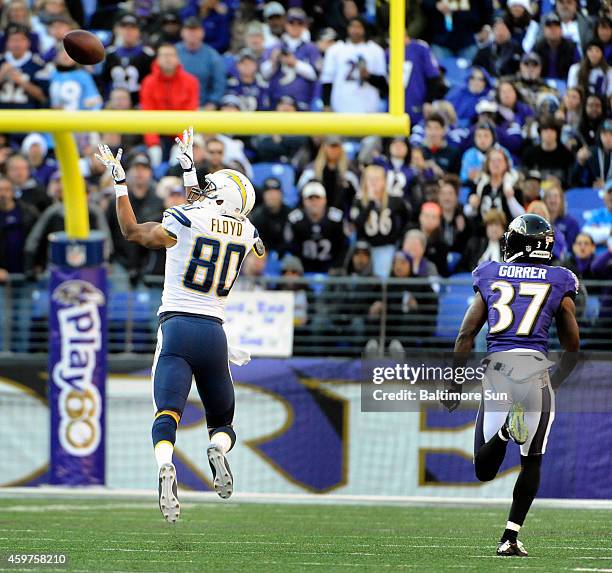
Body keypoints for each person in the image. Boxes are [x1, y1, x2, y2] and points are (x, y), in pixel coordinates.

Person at [95, 126, 265, 523]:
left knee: (167, 412)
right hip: (214, 333)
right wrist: (191, 175)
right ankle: (218, 452)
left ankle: (164, 465)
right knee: (223, 422)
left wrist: (120, 184)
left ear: (219, 195)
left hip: (176, 327)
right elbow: (220, 222)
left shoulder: (184, 218)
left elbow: (132, 232)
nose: (203, 189)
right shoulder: (248, 231)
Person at [444, 213, 580, 557]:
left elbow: (465, 335)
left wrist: (455, 384)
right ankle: (510, 537)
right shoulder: (559, 279)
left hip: (499, 368)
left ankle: (505, 431)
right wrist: (557, 379)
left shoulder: (491, 272)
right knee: (531, 460)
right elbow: (572, 342)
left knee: (484, 469)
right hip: (535, 369)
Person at [139, 43, 199, 164]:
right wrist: (153, 144)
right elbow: (147, 114)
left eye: (171, 55)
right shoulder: (148, 83)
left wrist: (182, 144)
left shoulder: (191, 82)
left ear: (177, 58)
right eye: (164, 55)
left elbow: (190, 114)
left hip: (181, 133)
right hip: (158, 133)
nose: (168, 58)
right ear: (158, 59)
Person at [350, 164, 411, 278]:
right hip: (365, 248)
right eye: (370, 179)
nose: (374, 183)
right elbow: (357, 224)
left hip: (386, 246)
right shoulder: (358, 201)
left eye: (377, 179)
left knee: (381, 277)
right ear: (365, 182)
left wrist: (397, 237)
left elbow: (406, 218)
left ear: (384, 181)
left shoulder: (394, 200)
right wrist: (370, 204)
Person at [320, 17, 387, 113]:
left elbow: (384, 84)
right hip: (341, 107)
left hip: (368, 108)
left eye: (358, 27)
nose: (355, 30)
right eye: (352, 26)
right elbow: (327, 80)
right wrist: (326, 105)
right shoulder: (335, 50)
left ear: (364, 29)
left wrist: (369, 76)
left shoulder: (376, 51)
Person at [260, 8, 320, 111]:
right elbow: (264, 75)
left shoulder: (311, 48)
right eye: (291, 22)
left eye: (299, 23)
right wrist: (273, 61)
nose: (295, 26)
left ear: (304, 26)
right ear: (285, 24)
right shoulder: (274, 46)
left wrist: (295, 63)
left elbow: (316, 74)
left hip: (302, 103)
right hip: (277, 102)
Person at [284, 181, 347, 273]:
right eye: (310, 199)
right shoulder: (295, 220)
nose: (314, 202)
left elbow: (344, 246)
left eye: (318, 198)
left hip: (331, 266)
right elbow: (289, 246)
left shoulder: (336, 219)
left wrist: (337, 265)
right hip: (303, 268)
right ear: (304, 201)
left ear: (325, 200)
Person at [99, 14, 155, 107]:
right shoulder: (109, 54)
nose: (128, 31)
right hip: (114, 105)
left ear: (139, 31)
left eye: (133, 28)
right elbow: (104, 82)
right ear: (118, 30)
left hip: (139, 106)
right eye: (124, 27)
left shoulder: (148, 55)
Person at [297, 136, 359, 213]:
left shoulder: (349, 171)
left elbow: (356, 197)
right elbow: (301, 194)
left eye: (336, 147)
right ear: (324, 148)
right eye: (331, 147)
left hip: (341, 215)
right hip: (316, 215)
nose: (333, 150)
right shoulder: (311, 171)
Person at [176, 17, 226, 110]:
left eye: (196, 30)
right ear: (182, 32)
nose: (192, 33)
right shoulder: (173, 52)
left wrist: (213, 102)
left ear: (202, 33)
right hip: (175, 107)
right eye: (189, 30)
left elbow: (219, 83)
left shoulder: (212, 55)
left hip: (202, 107)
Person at [468, 147, 525, 224]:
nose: (496, 164)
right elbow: (468, 212)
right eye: (493, 161)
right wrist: (472, 205)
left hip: (506, 231)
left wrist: (510, 198)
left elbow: (521, 216)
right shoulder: (479, 185)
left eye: (499, 160)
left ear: (506, 164)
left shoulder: (514, 186)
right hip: (482, 230)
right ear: (487, 164)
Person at [0, 24, 48, 110]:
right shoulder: (1, 62)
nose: (17, 44)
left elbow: (43, 98)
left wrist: (21, 81)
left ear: (28, 42)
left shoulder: (38, 65)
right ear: (7, 43)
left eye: (21, 40)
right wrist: (1, 74)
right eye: (13, 40)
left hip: (27, 118)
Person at [0, 175, 38, 278]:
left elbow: (39, 240)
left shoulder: (29, 212)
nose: (3, 194)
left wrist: (38, 264)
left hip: (27, 272)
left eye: (6, 190)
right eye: (0, 190)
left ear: (13, 192)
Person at [521, 119, 574, 186]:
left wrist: (560, 183)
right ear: (540, 133)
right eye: (545, 130)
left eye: (552, 130)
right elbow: (524, 175)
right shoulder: (529, 153)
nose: (549, 134)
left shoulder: (566, 155)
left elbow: (571, 179)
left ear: (557, 133)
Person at [49, 46, 103, 110]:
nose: (65, 55)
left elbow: (96, 100)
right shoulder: (53, 74)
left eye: (69, 53)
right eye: (62, 52)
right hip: (56, 118)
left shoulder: (83, 75)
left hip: (77, 117)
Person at [249, 176, 290, 255]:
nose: (272, 196)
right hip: (263, 254)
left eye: (275, 192)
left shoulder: (290, 214)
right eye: (268, 192)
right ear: (263, 195)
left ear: (281, 194)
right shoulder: (257, 216)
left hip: (286, 254)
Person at [533, 13, 578, 81]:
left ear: (561, 30)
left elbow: (577, 67)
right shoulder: (537, 47)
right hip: (542, 83)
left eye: (556, 26)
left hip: (566, 83)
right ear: (544, 30)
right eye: (549, 27)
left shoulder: (571, 47)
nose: (553, 29)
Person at [572, 117, 612, 188]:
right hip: (593, 194)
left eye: (611, 134)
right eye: (604, 134)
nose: (608, 138)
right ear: (599, 135)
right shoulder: (590, 153)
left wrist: (606, 185)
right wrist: (580, 163)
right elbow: (573, 182)